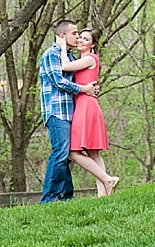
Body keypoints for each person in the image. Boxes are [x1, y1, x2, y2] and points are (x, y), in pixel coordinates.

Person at [38, 19, 99, 203]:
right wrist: (83, 89)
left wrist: (92, 87)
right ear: (62, 36)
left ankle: (66, 196)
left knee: (67, 155)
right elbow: (59, 81)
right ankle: (48, 198)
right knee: (60, 153)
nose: (78, 37)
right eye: (74, 33)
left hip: (72, 112)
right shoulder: (51, 54)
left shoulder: (71, 57)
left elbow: (81, 79)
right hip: (56, 112)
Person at [59, 28, 119, 196]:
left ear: (92, 44)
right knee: (93, 152)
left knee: (74, 153)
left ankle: (107, 180)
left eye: (86, 39)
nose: (81, 41)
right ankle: (104, 193)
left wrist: (63, 46)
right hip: (84, 104)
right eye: (80, 38)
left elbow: (65, 66)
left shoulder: (90, 58)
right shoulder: (85, 60)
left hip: (86, 106)